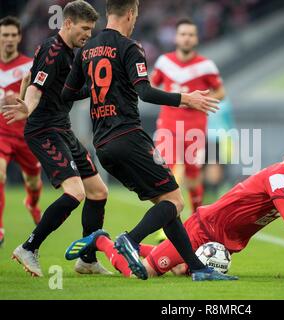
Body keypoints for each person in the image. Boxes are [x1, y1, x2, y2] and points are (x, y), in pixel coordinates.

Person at [60, 0, 236, 281]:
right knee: (176, 201)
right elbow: (144, 92)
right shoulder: (130, 47)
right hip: (129, 138)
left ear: (108, 13)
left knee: (166, 204)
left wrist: (96, 88)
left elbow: (68, 94)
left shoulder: (87, 51)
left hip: (103, 145)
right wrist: (184, 99)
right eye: (135, 16)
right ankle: (129, 240)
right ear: (130, 14)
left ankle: (198, 268)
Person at [66, 132, 284, 279]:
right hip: (204, 229)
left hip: (224, 240)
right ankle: (103, 240)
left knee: (178, 268)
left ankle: (130, 246)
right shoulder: (279, 177)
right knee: (144, 273)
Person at [1, 1, 110, 277]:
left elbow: (29, 76)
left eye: (91, 29)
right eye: (85, 28)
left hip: (62, 128)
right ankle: (29, 247)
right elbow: (37, 87)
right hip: (44, 130)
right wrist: (28, 105)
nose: (88, 34)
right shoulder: (53, 51)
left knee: (98, 192)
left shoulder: (70, 52)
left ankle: (87, 260)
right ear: (69, 23)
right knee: (75, 192)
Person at [151, 18, 226, 213]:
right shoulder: (164, 62)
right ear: (176, 37)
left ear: (196, 39)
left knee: (193, 177)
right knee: (166, 171)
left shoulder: (206, 66)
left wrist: (200, 99)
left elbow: (221, 92)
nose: (186, 38)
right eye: (183, 34)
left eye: (191, 35)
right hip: (168, 126)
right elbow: (151, 86)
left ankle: (196, 217)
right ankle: (164, 225)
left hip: (194, 129)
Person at [0, 16, 43, 247]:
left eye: (13, 35)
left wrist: (20, 99)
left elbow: (38, 95)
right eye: (5, 35)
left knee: (34, 182)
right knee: (0, 174)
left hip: (26, 135)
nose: (9, 39)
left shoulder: (29, 66)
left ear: (19, 38)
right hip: (1, 134)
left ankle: (32, 204)